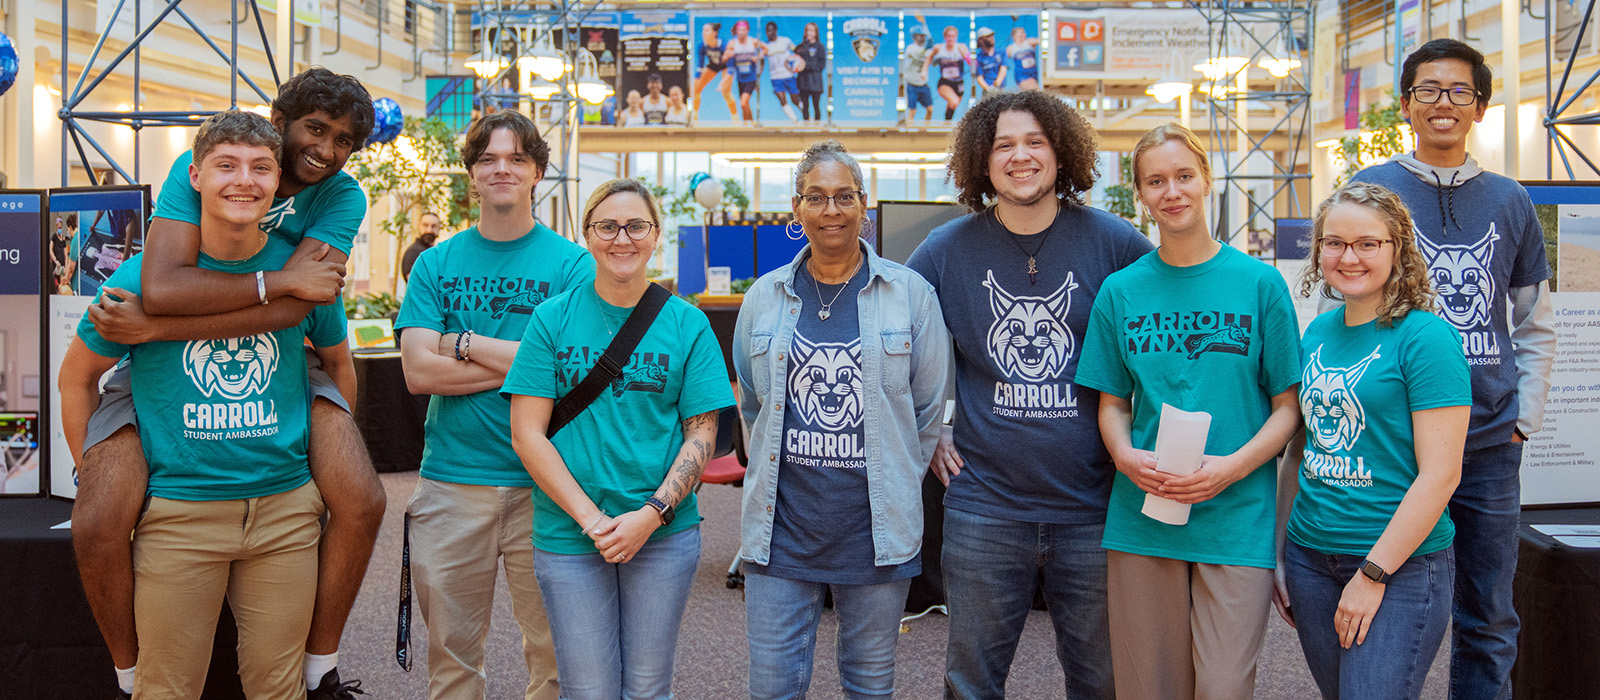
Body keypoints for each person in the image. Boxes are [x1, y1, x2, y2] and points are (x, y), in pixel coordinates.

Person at [71, 67, 380, 700]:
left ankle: (320, 664)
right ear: (280, 123)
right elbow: (160, 288)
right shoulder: (212, 166)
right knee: (99, 515)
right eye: (315, 129)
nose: (325, 148)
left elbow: (301, 307)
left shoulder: (342, 196)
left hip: (283, 353)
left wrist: (154, 331)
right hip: (164, 371)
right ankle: (129, 670)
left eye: (344, 140)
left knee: (365, 496)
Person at [907, 90, 1154, 699]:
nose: (1021, 157)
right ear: (981, 162)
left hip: (1094, 508)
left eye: (1035, 141)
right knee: (970, 685)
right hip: (985, 509)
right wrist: (931, 425)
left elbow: (1165, 331)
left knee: (1101, 684)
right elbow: (894, 338)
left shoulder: (1115, 243)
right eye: (1003, 145)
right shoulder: (946, 250)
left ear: (1061, 151)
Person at [1347, 39, 1555, 699]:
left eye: (1459, 91)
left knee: (1488, 617)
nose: (1444, 102)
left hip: (1490, 442)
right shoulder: (1369, 192)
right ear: (1407, 105)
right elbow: (1342, 309)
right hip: (1394, 441)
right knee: (1380, 595)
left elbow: (1535, 319)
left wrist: (1524, 418)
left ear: (1481, 108)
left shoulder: (1511, 201)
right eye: (1429, 90)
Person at [1074, 123, 1303, 700]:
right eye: (1156, 181)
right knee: (1149, 687)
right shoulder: (1121, 292)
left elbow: (1287, 409)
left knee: (1225, 686)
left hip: (1236, 513)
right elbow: (1112, 403)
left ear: (1207, 181)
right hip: (1144, 513)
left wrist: (1231, 468)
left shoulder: (1260, 284)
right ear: (1140, 195)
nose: (1172, 191)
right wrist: (1125, 456)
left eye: (1183, 176)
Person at [733, 141, 951, 700]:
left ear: (864, 205)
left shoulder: (910, 296)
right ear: (797, 208)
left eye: (844, 197)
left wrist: (899, 474)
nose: (831, 210)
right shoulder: (763, 298)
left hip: (876, 534)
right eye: (817, 197)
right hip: (781, 535)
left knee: (869, 686)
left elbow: (926, 411)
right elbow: (753, 404)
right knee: (772, 689)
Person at [504, 178, 734, 700]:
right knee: (588, 690)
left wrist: (649, 516)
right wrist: (594, 521)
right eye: (607, 226)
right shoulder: (551, 318)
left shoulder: (687, 324)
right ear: (587, 234)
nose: (621, 238)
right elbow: (527, 434)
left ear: (655, 236)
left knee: (649, 689)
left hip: (663, 535)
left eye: (636, 226)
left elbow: (702, 433)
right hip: (569, 535)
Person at [394, 109, 592, 700]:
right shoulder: (436, 263)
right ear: (471, 175)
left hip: (549, 487)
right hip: (452, 485)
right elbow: (417, 372)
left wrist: (463, 344)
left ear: (537, 172)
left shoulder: (572, 264)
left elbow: (570, 371)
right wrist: (528, 364)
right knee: (452, 663)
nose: (501, 169)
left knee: (557, 657)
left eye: (516, 159)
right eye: (488, 160)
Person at [1282, 181, 1471, 699]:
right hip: (1311, 557)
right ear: (1319, 250)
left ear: (1398, 251)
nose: (1349, 256)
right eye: (1335, 242)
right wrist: (1281, 554)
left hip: (1400, 566)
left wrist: (1372, 574)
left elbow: (1442, 474)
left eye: (1368, 243)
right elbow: (1301, 450)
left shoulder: (1426, 338)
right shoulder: (1318, 332)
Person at [925, 26, 972, 122]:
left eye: (953, 36)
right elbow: (929, 58)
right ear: (945, 37)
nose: (951, 39)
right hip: (945, 82)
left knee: (953, 105)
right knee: (953, 101)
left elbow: (973, 64)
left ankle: (946, 124)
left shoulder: (961, 47)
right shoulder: (939, 48)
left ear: (956, 37)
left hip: (959, 83)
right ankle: (946, 124)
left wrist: (966, 56)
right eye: (948, 36)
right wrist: (924, 70)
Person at [723, 20, 767, 123]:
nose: (741, 32)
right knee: (744, 105)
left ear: (747, 31)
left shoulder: (753, 41)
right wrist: (729, 55)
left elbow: (766, 49)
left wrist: (758, 56)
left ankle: (750, 123)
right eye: (739, 30)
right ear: (736, 31)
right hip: (740, 77)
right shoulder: (733, 43)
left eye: (744, 30)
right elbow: (724, 58)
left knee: (744, 102)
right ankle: (748, 123)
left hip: (751, 77)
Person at [694, 22, 737, 119]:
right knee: (695, 89)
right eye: (703, 30)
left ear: (714, 33)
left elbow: (731, 67)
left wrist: (723, 82)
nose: (703, 33)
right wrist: (697, 78)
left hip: (726, 66)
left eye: (706, 30)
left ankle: (735, 118)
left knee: (726, 92)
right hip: (713, 66)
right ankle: (695, 117)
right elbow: (700, 65)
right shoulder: (702, 46)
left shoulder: (724, 45)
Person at [764, 22, 802, 122]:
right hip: (775, 77)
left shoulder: (785, 41)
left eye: (771, 30)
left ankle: (807, 116)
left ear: (776, 30)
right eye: (767, 31)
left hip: (788, 75)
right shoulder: (765, 46)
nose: (770, 33)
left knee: (795, 100)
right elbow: (761, 60)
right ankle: (795, 121)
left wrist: (797, 64)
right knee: (782, 99)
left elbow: (796, 51)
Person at [794, 23, 827, 122]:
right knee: (805, 107)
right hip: (803, 82)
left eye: (812, 31)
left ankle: (817, 128)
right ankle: (806, 127)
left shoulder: (820, 47)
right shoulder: (801, 47)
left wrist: (806, 65)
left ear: (816, 32)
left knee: (816, 106)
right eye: (807, 30)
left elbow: (821, 65)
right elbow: (795, 61)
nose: (809, 33)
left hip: (815, 82)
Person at [902, 25, 934, 125]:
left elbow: (931, 59)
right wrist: (930, 48)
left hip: (923, 85)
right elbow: (922, 54)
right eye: (920, 35)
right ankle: (909, 131)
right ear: (914, 36)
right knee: (912, 111)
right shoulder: (911, 49)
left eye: (923, 36)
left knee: (930, 109)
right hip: (912, 85)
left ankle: (926, 129)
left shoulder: (927, 51)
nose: (922, 38)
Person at [401, 210, 442, 282]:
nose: (429, 230)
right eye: (425, 225)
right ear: (419, 226)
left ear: (439, 228)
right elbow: (414, 282)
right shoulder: (414, 252)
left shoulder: (434, 251)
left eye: (434, 226)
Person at [973, 28, 1006, 95]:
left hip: (1001, 89)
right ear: (980, 40)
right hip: (987, 92)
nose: (992, 38)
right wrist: (989, 89)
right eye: (988, 36)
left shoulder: (1001, 52)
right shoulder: (978, 58)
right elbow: (979, 77)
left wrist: (997, 84)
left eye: (992, 35)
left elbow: (1003, 69)